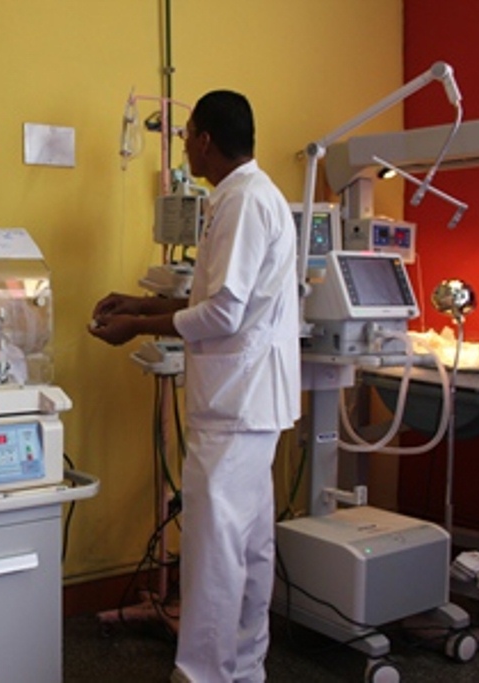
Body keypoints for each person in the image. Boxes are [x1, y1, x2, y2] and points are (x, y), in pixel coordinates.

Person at [88, 90, 301, 683]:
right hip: (253, 400)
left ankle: (204, 674)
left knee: (213, 552)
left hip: (235, 405)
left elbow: (223, 314)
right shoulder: (255, 194)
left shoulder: (239, 203)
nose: (183, 146)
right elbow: (218, 298)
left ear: (205, 140)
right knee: (249, 544)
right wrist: (143, 302)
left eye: (186, 136)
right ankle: (245, 666)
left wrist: (136, 328)